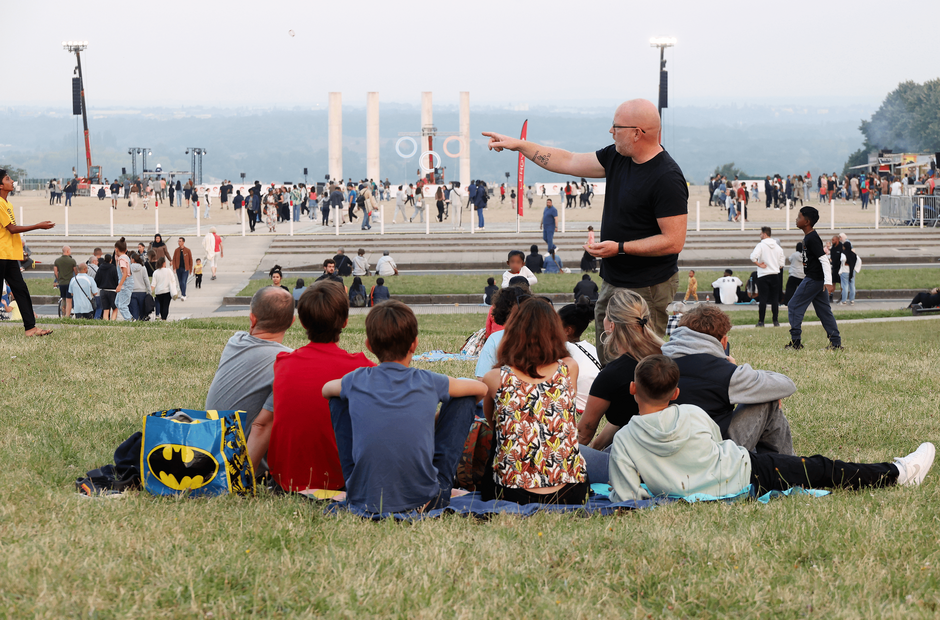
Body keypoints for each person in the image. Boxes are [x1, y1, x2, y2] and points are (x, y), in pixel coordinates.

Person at [485, 99, 687, 353]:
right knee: (608, 352)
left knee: (641, 359)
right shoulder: (617, 157)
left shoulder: (666, 177)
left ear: (637, 133)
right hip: (613, 278)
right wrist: (521, 145)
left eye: (617, 126)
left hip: (648, 285)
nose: (611, 132)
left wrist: (620, 248)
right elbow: (567, 161)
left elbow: (673, 240)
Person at [608, 355, 935, 502]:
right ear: (675, 393)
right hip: (746, 473)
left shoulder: (624, 441)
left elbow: (625, 495)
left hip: (727, 480)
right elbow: (717, 445)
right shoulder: (691, 413)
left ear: (633, 389)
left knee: (810, 470)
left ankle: (895, 472)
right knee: (820, 468)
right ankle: (897, 473)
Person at [322, 300, 486, 514]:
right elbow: (480, 389)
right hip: (426, 502)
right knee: (465, 398)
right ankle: (442, 482)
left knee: (338, 398)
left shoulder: (357, 379)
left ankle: (357, 481)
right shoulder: (429, 380)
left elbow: (326, 389)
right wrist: (435, 416)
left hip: (363, 498)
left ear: (369, 345)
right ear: (415, 344)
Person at [245, 281, 376, 490]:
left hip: (285, 483)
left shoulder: (283, 364)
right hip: (342, 482)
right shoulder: (364, 369)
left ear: (303, 323)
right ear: (345, 322)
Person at [479, 297, 588, 504]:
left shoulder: (495, 378)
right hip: (569, 491)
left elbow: (493, 425)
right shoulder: (569, 368)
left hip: (512, 493)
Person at [662, 304, 796, 455]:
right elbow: (786, 385)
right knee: (768, 399)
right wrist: (736, 368)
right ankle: (783, 469)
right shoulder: (725, 373)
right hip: (714, 456)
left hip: (665, 451)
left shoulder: (656, 364)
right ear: (724, 341)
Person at [208, 287, 295, 475]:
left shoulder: (235, 341)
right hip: (245, 464)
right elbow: (264, 425)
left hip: (208, 448)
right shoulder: (287, 361)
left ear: (252, 319)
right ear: (292, 322)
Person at [576, 288, 662, 451]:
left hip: (632, 457)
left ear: (611, 325)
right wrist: (596, 447)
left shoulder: (612, 374)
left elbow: (583, 434)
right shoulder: (665, 357)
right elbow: (621, 420)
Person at [786, 207, 842, 350]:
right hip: (818, 281)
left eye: (799, 217)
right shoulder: (809, 237)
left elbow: (824, 260)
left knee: (793, 305)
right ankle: (835, 342)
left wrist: (828, 282)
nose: (796, 219)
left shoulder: (812, 238)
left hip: (814, 279)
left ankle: (795, 342)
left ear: (807, 221)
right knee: (823, 310)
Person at [559, 296, 600, 414]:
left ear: (568, 330)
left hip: (580, 408)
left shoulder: (563, 350)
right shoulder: (592, 348)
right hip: (598, 404)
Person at [750, 226, 786, 327]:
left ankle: (761, 321)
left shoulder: (761, 245)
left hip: (763, 275)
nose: (760, 235)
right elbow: (782, 263)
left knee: (763, 299)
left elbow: (753, 257)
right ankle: (775, 321)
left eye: (761, 233)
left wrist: (759, 264)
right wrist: (774, 267)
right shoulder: (778, 247)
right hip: (775, 275)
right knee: (775, 299)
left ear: (765, 234)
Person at [53, 245, 77, 317]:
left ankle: (63, 315)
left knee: (63, 299)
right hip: (70, 283)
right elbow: (76, 272)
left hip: (62, 283)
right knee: (69, 299)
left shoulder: (57, 261)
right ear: (67, 251)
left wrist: (58, 279)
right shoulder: (72, 261)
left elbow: (55, 272)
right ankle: (68, 314)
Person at [113, 237, 133, 321]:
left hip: (125, 284)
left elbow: (124, 273)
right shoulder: (125, 257)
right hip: (127, 283)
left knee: (122, 305)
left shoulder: (122, 259)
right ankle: (129, 318)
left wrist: (119, 285)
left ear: (116, 249)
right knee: (117, 302)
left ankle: (129, 319)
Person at [128, 252, 151, 320]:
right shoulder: (143, 268)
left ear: (132, 259)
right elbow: (146, 280)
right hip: (142, 291)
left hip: (132, 291)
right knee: (142, 311)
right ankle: (142, 323)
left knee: (134, 311)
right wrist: (149, 291)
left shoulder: (129, 268)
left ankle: (135, 325)